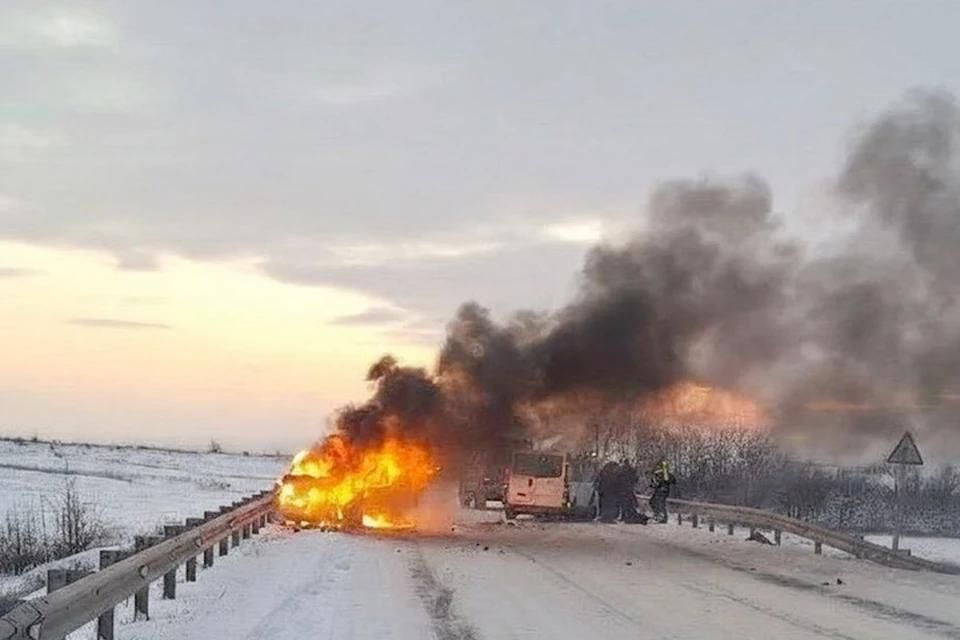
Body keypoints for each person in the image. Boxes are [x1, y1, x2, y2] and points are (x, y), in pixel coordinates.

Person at [617, 459, 647, 524]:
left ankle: (625, 516)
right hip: (629, 488)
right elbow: (635, 478)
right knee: (628, 503)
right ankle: (627, 516)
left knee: (624, 503)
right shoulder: (631, 470)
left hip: (624, 489)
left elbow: (619, 478)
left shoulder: (623, 470)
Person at [649, 459, 676, 524]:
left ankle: (662, 517)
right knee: (654, 502)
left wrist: (655, 484)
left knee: (659, 503)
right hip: (662, 490)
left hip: (662, 490)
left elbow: (658, 483)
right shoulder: (664, 474)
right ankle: (659, 515)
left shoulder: (662, 474)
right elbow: (673, 481)